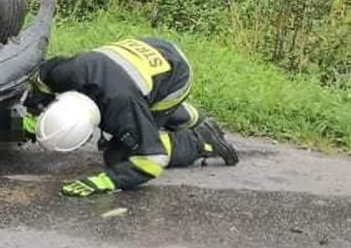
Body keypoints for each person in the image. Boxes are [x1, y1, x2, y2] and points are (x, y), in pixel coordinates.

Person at [23, 38, 239, 197]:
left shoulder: (122, 108)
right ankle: (187, 116)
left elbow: (152, 161)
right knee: (137, 114)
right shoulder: (63, 73)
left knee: (118, 157)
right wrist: (35, 110)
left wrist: (108, 181)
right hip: (147, 51)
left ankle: (200, 141)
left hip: (175, 76)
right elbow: (41, 78)